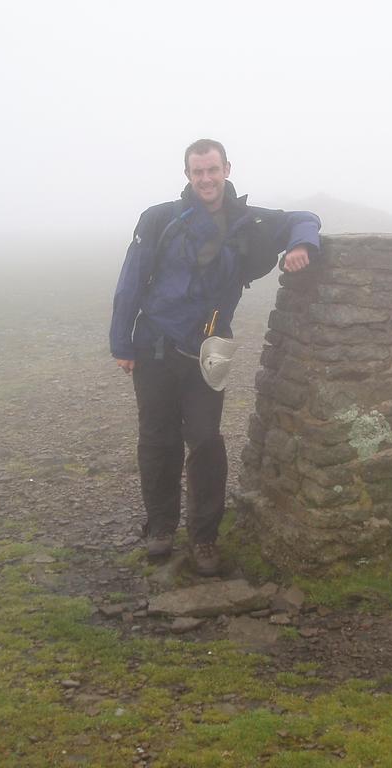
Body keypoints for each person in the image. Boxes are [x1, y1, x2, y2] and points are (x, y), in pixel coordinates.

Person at [109, 139, 321, 576]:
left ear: (226, 168)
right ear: (187, 175)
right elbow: (131, 281)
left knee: (206, 441)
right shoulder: (159, 219)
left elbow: (305, 219)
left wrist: (303, 246)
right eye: (197, 172)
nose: (206, 179)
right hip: (154, 346)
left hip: (209, 352)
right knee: (157, 439)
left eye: (212, 170)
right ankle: (161, 528)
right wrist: (121, 343)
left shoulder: (250, 222)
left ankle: (205, 536)